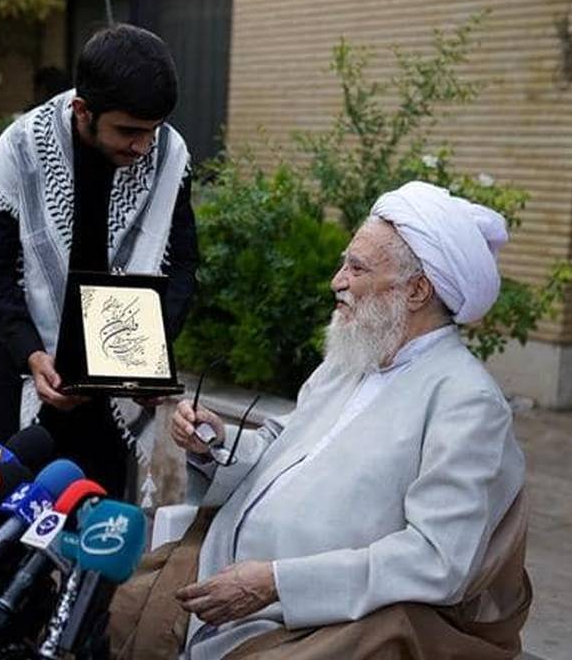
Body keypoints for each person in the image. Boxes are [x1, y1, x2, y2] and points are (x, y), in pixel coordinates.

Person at [110, 181, 530, 660]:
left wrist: (277, 583)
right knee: (116, 611)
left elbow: (437, 559)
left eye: (357, 268)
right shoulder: (353, 357)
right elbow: (287, 444)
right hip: (223, 565)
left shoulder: (467, 401)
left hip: (317, 617)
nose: (337, 281)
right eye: (343, 264)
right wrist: (217, 442)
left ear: (417, 291)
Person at [0, 24, 199, 502]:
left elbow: (181, 265)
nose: (142, 147)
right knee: (11, 525)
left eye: (152, 131)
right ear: (82, 111)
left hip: (110, 405)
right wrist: (33, 355)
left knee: (99, 533)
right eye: (128, 131)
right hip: (22, 382)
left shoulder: (169, 155)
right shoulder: (21, 148)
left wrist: (151, 358)